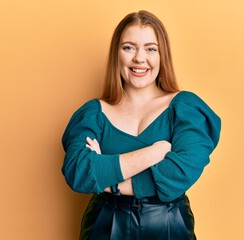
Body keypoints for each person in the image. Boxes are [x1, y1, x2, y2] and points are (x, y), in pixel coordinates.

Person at [62, 10, 221, 240]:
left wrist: (108, 179)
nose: (139, 58)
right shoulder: (93, 114)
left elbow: (179, 174)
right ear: (117, 54)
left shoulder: (186, 109)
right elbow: (79, 172)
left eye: (150, 48)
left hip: (169, 225)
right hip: (104, 226)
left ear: (162, 55)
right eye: (129, 47)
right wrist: (153, 154)